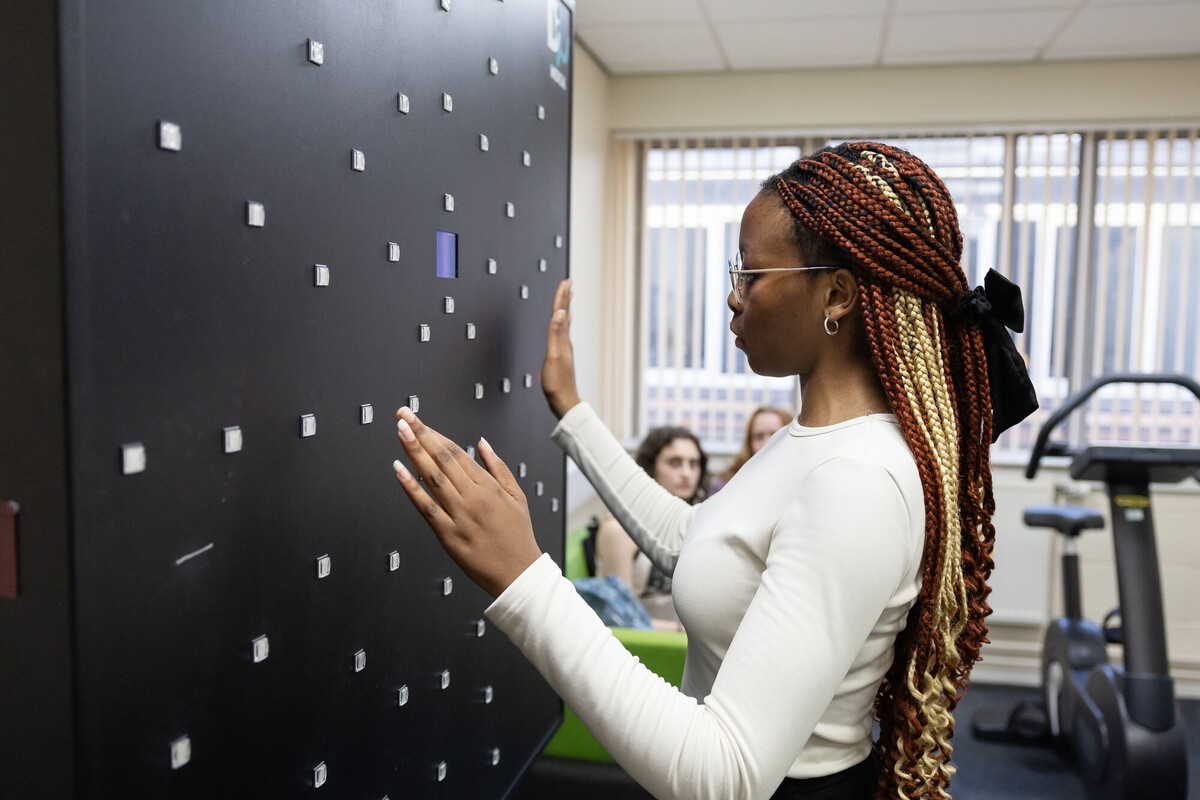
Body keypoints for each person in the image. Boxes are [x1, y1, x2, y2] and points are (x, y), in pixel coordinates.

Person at [391, 142, 1037, 799]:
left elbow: (723, 773)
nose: (734, 297)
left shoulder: (858, 481)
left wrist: (525, 579)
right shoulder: (808, 442)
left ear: (836, 293)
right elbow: (699, 541)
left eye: (751, 274)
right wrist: (572, 410)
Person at [594, 426, 709, 629]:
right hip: (648, 646)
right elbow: (621, 617)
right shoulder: (619, 527)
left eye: (694, 463)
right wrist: (681, 631)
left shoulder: (700, 520)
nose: (686, 473)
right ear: (651, 467)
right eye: (675, 463)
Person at [711, 406, 792, 493]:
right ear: (749, 443)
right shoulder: (726, 485)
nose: (766, 443)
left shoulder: (801, 481)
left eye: (775, 434)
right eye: (759, 437)